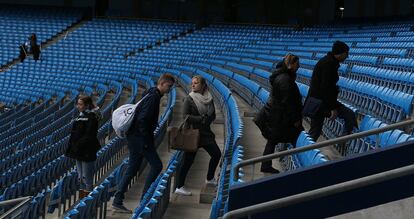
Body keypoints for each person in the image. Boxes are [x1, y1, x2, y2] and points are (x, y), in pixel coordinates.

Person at [112, 73, 175, 213]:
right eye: (169, 86)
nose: (170, 89)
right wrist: (146, 140)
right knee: (157, 165)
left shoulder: (151, 93)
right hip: (140, 139)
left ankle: (118, 200)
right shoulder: (153, 97)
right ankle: (144, 199)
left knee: (133, 168)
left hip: (135, 137)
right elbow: (142, 119)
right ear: (162, 83)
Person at [254, 54, 304, 173]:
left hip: (276, 114)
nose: (299, 66)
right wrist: (295, 119)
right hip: (278, 116)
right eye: (297, 64)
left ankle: (266, 165)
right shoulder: (285, 79)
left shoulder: (283, 76)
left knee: (273, 140)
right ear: (291, 65)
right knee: (293, 136)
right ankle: (301, 167)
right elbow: (288, 102)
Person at [174, 75, 222, 196]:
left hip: (206, 134)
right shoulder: (189, 99)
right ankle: (179, 186)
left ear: (203, 85)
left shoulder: (209, 98)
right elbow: (185, 117)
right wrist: (201, 119)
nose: (193, 85)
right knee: (188, 161)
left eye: (196, 83)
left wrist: (207, 119)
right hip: (193, 133)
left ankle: (210, 178)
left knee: (216, 154)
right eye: (192, 83)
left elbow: (212, 115)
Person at [306, 41, 357, 141]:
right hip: (321, 103)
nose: (347, 57)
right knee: (349, 115)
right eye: (346, 54)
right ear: (341, 53)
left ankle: (343, 142)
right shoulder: (329, 64)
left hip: (319, 101)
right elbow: (326, 88)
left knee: (315, 131)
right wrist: (332, 108)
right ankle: (344, 142)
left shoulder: (327, 61)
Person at [65, 96, 101, 199]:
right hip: (78, 151)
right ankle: (82, 199)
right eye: (78, 104)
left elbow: (89, 135)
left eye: (80, 104)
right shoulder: (81, 116)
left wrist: (77, 145)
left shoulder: (92, 117)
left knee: (86, 178)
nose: (78, 106)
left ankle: (87, 199)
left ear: (87, 106)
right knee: (80, 178)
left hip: (87, 151)